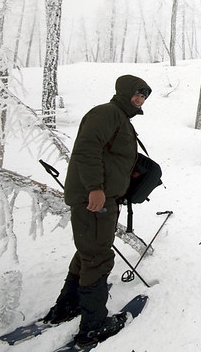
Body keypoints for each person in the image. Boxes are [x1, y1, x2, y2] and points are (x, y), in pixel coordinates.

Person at [42, 75, 152, 347]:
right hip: (94, 199)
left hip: (103, 198)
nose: (140, 99)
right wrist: (95, 188)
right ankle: (94, 325)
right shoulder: (106, 114)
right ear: (125, 92)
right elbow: (86, 151)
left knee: (88, 252)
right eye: (137, 93)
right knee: (98, 256)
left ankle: (68, 306)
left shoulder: (120, 119)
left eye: (145, 96)